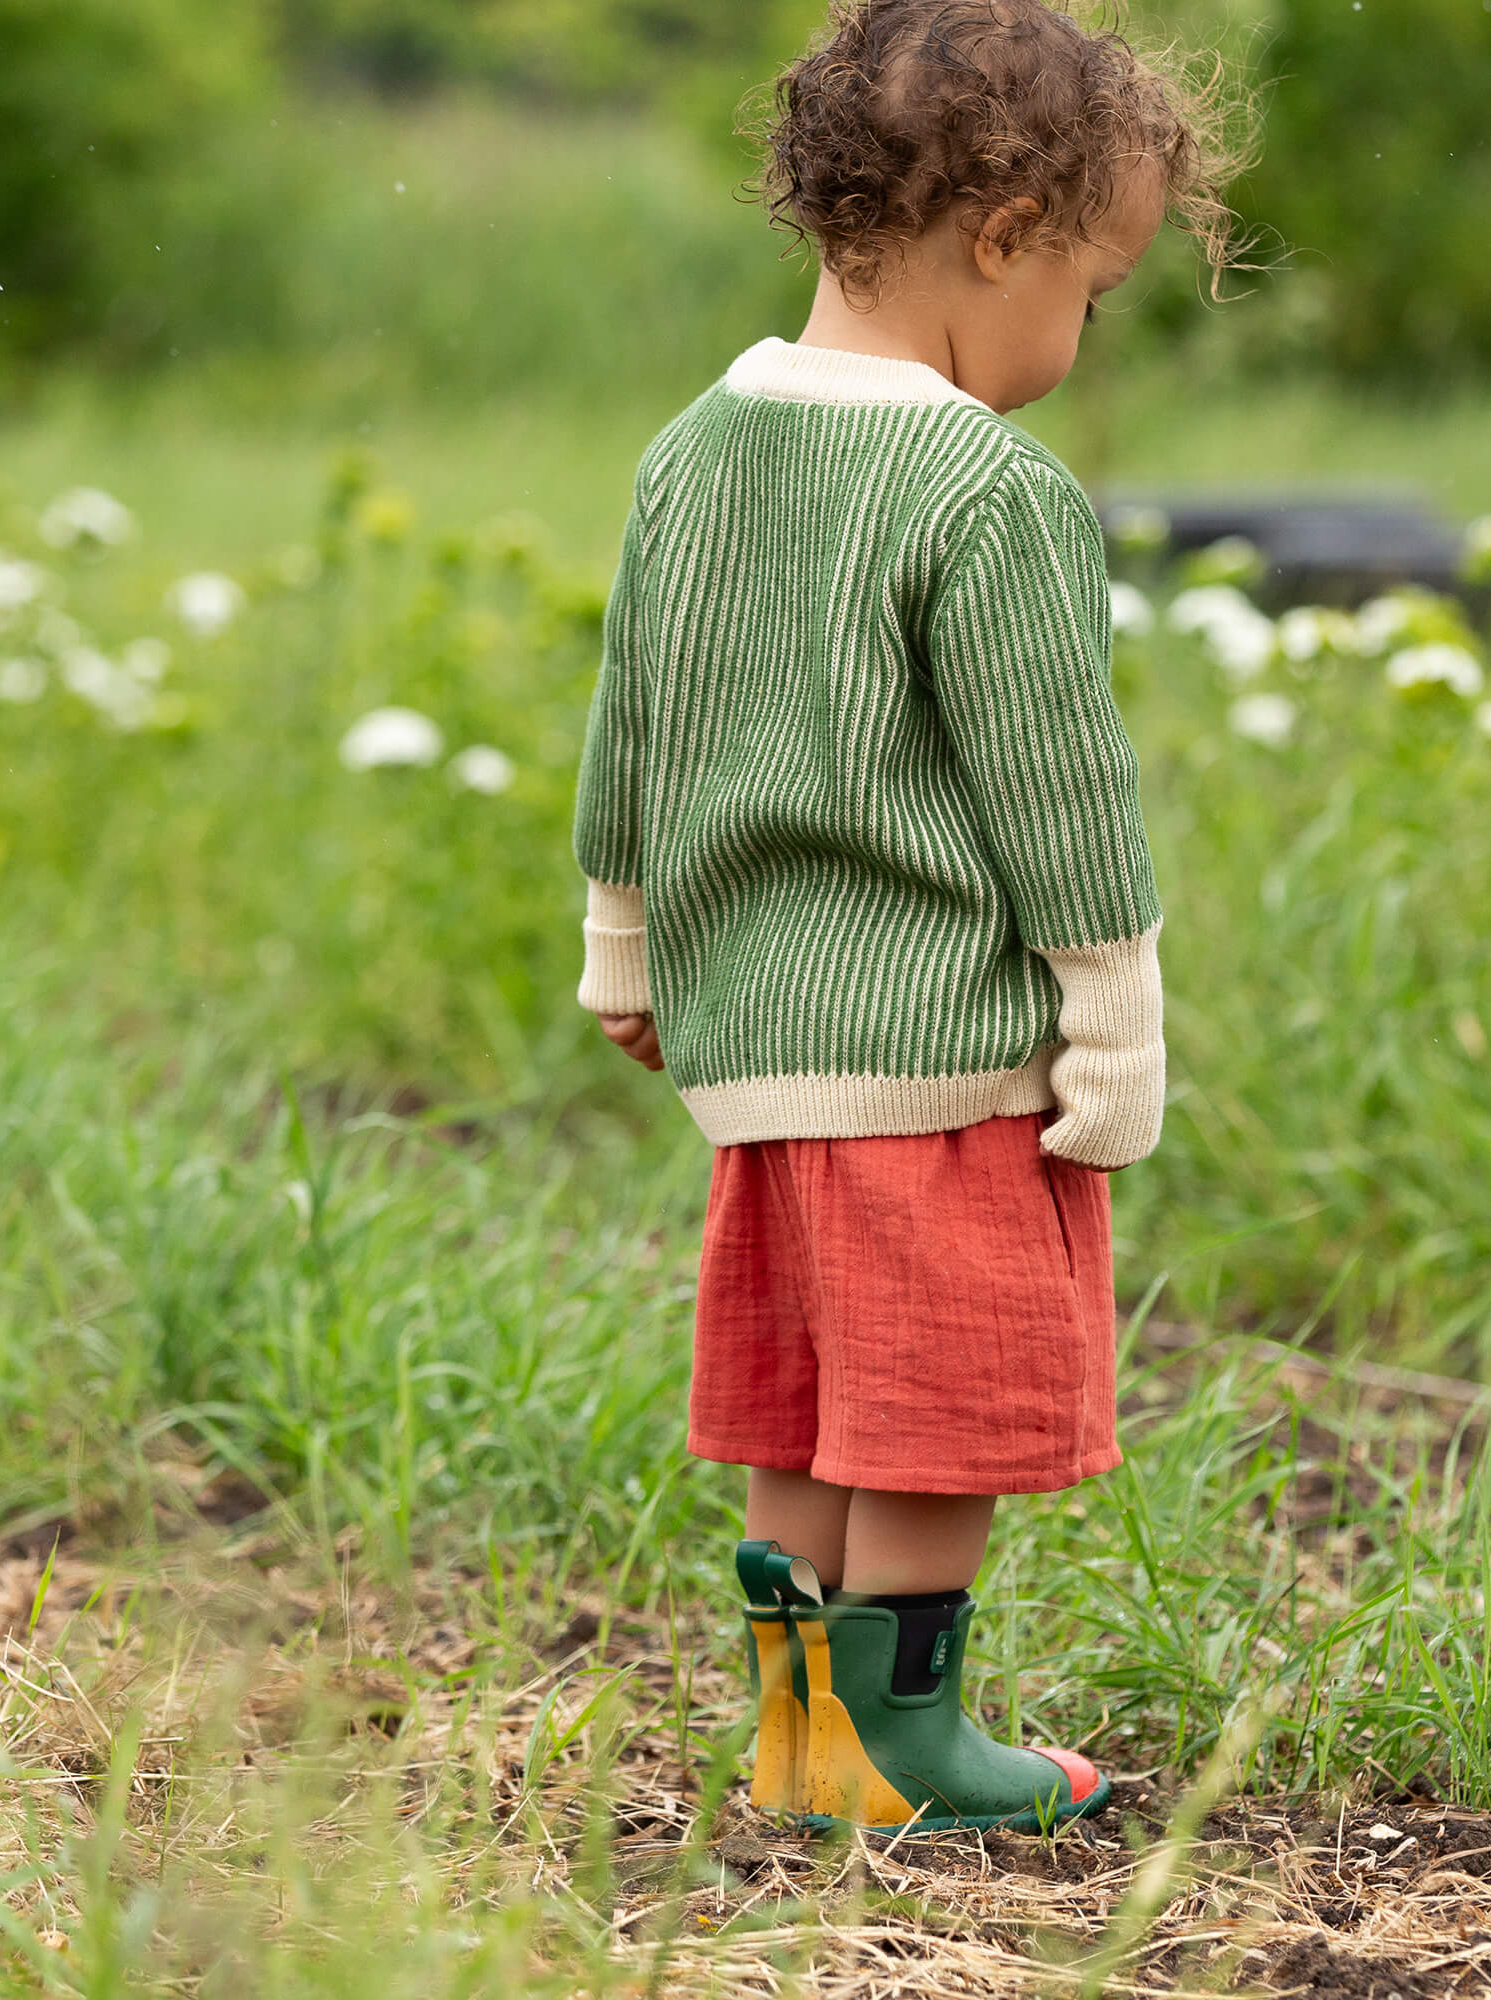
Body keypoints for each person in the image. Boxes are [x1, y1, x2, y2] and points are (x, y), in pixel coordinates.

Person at [571, 0, 1239, 1834]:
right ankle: (909, 1736)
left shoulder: (690, 455)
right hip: (938, 1051)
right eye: (1091, 293)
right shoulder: (985, 488)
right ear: (1005, 235)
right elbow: (1058, 787)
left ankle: (804, 1738)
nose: (1078, 340)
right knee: (940, 1401)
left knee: (803, 1401)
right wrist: (1115, 1021)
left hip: (760, 1057)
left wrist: (624, 948)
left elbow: (636, 718)